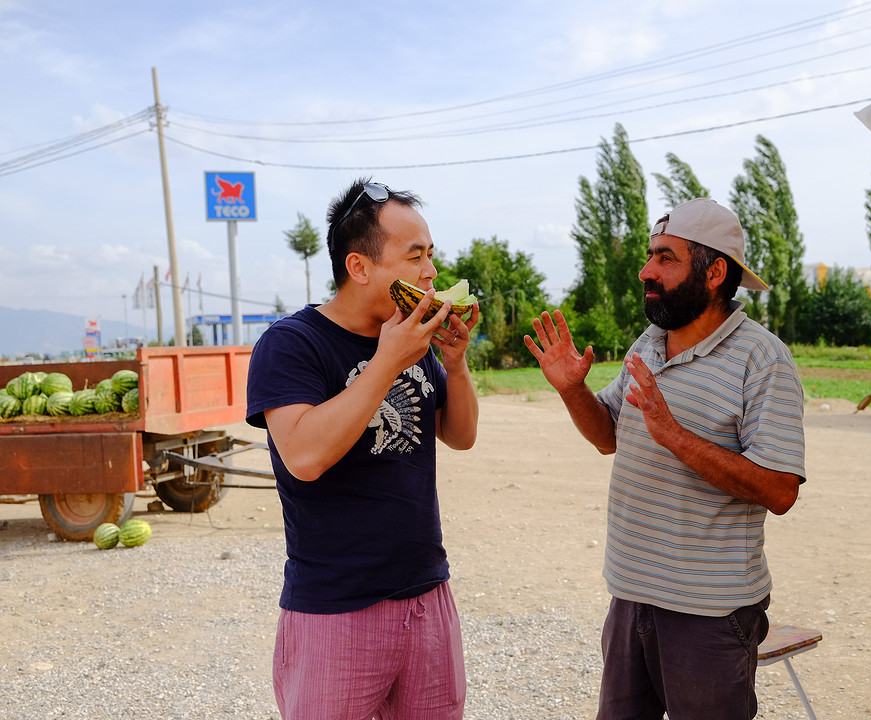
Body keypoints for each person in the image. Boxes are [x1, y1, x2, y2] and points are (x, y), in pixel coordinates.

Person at [525, 197, 805, 720]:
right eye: (651, 255)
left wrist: (675, 435)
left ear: (715, 271)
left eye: (666, 258)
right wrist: (572, 391)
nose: (645, 270)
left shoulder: (763, 360)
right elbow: (608, 434)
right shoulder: (650, 341)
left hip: (710, 615)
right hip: (630, 597)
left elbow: (780, 489)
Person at [246, 177, 480, 720]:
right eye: (415, 256)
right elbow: (304, 456)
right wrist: (386, 361)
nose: (431, 273)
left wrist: (457, 364)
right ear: (360, 268)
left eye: (431, 256)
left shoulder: (408, 335)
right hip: (335, 610)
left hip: (427, 598)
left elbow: (461, 435)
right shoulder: (291, 343)